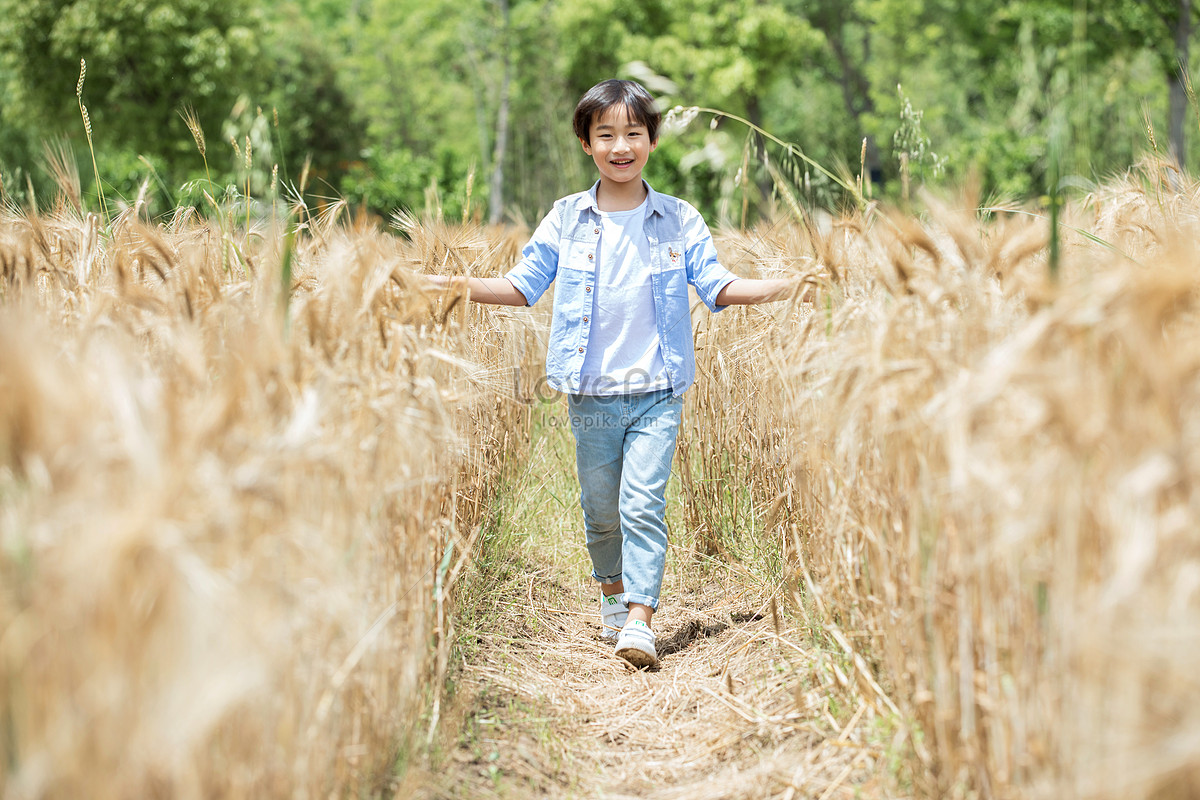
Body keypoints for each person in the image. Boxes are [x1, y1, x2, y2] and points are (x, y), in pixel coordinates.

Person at [430, 79, 799, 668]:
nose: (620, 145)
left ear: (651, 140)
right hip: (592, 393)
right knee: (601, 508)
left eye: (633, 133)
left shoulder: (679, 219)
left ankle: (640, 619)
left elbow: (720, 287)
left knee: (642, 503)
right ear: (586, 144)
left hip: (657, 390)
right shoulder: (566, 218)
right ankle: (611, 595)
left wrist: (791, 287)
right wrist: (450, 287)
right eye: (606, 135)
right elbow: (521, 288)